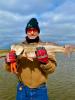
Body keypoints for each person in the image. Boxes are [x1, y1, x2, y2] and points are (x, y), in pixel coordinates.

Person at [5, 18, 57, 100]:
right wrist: (8, 62)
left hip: (41, 90)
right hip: (22, 90)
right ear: (26, 32)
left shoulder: (46, 47)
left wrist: (45, 62)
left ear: (38, 32)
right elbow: (9, 70)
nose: (32, 32)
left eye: (35, 30)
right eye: (29, 30)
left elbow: (52, 70)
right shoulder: (18, 47)